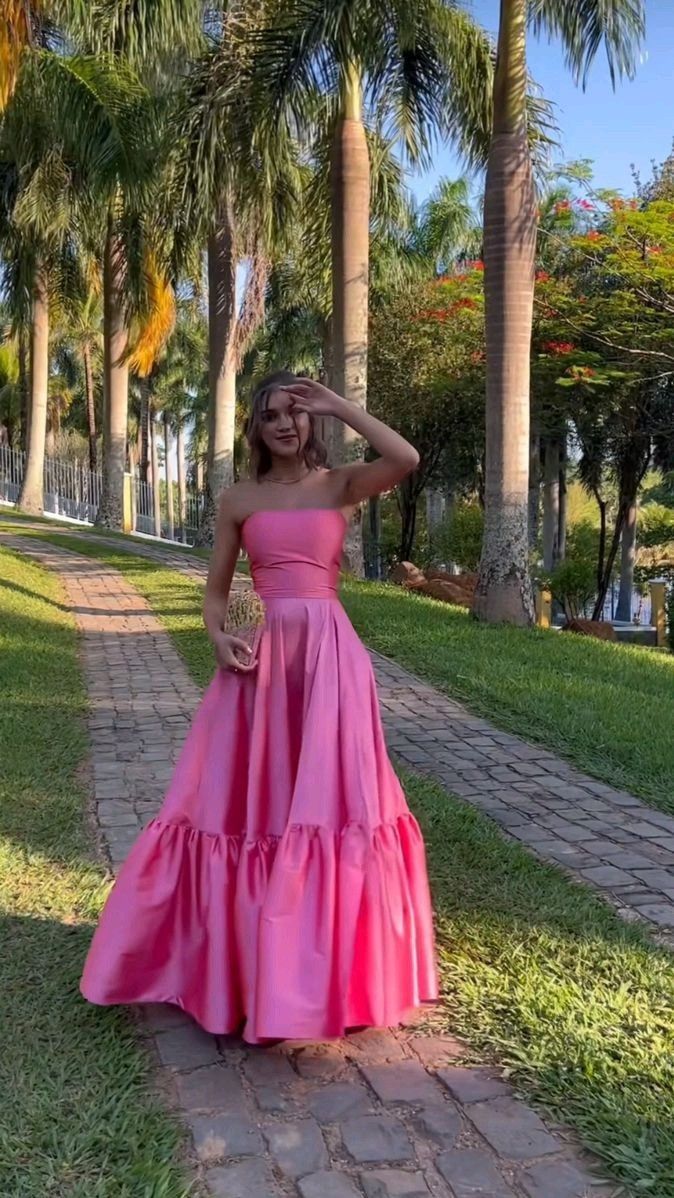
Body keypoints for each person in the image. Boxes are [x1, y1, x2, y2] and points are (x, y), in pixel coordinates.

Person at [81, 372, 438, 1043]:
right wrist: (217, 637)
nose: (284, 423)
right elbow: (217, 592)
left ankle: (326, 976)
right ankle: (243, 967)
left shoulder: (339, 486)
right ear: (256, 428)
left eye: (295, 413)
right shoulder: (239, 498)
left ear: (310, 423)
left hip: (329, 660)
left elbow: (406, 457)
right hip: (261, 661)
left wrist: (339, 405)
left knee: (335, 802)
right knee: (244, 804)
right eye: (271, 414)